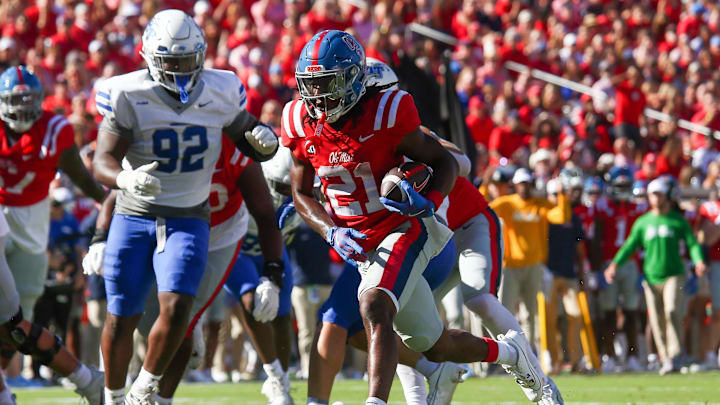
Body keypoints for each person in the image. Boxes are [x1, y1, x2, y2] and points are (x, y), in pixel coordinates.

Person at [283, 30, 541, 405]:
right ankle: (512, 355)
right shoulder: (297, 120)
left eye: (328, 84)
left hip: (405, 227)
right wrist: (330, 232)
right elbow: (302, 193)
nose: (318, 96)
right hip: (361, 244)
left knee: (374, 305)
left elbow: (446, 162)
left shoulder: (388, 111)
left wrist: (429, 201)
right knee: (435, 347)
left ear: (355, 79)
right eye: (311, 85)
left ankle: (376, 401)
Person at [91, 10, 278, 405]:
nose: (179, 70)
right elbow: (102, 160)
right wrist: (125, 178)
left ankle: (143, 390)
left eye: (187, 60)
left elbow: (249, 140)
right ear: (149, 57)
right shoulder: (127, 93)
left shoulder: (221, 89)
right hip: (134, 213)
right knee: (120, 316)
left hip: (188, 218)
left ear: (202, 54)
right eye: (170, 62)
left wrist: (265, 140)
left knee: (178, 307)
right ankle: (112, 396)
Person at [605, 176, 706, 375]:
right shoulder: (643, 222)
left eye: (659, 194)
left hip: (674, 274)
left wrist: (698, 260)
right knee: (657, 317)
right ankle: (665, 357)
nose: (655, 198)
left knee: (671, 311)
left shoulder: (677, 220)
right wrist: (614, 264)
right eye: (652, 195)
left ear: (668, 196)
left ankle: (676, 354)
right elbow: (630, 245)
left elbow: (692, 243)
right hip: (651, 276)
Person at [490, 168, 571, 349]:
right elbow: (485, 208)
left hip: (533, 266)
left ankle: (528, 352)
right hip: (509, 267)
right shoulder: (507, 203)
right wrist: (489, 184)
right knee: (505, 311)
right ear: (515, 186)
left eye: (527, 184)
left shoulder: (540, 204)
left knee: (530, 313)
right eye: (521, 184)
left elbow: (561, 216)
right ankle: (503, 351)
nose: (524, 188)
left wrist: (562, 195)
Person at [596, 167, 646, 372]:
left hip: (631, 264)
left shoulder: (637, 209)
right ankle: (609, 354)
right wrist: (596, 268)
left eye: (626, 186)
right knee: (608, 312)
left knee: (631, 311)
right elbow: (596, 240)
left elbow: (642, 242)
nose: (623, 190)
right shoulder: (602, 207)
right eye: (620, 186)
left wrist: (642, 269)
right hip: (609, 264)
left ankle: (633, 355)